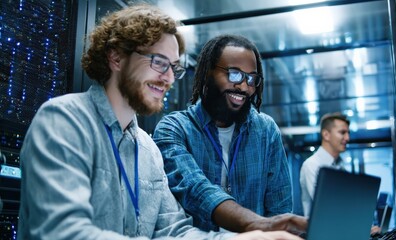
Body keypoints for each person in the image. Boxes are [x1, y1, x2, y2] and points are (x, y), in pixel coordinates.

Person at [17, 4, 303, 240]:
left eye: (173, 67)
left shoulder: (147, 149)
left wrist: (247, 239)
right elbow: (63, 233)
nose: (167, 78)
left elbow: (174, 230)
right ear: (116, 57)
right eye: (158, 61)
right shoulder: (64, 121)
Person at [153, 34, 307, 236]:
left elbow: (279, 207)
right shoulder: (174, 129)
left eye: (252, 78)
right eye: (234, 74)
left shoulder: (266, 131)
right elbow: (196, 190)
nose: (244, 86)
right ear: (208, 73)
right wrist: (262, 226)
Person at [299, 112, 350, 217]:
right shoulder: (311, 165)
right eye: (342, 132)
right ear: (326, 134)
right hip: (320, 232)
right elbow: (327, 206)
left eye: (348, 133)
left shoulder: (341, 167)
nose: (347, 138)